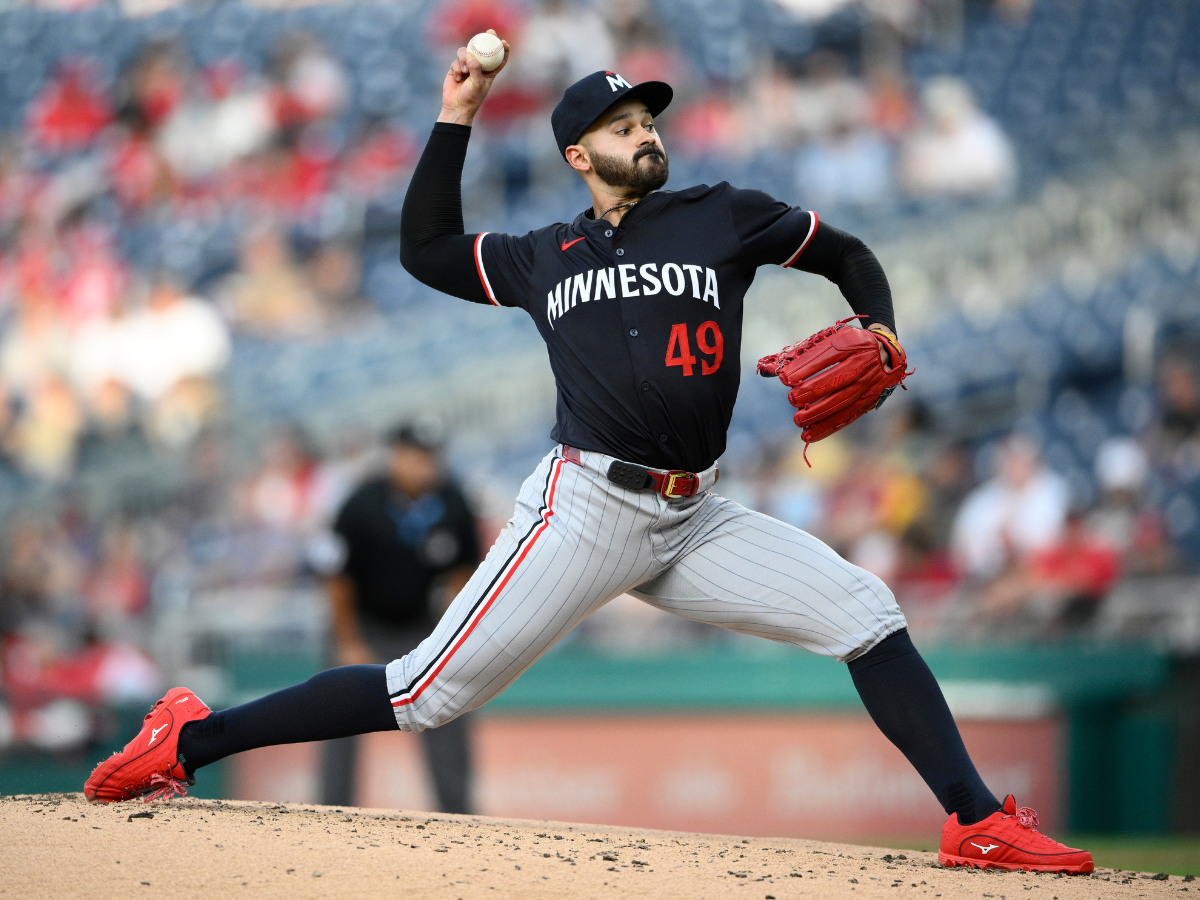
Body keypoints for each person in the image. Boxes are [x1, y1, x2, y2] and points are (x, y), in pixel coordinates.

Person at [85, 35, 1093, 875]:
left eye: (649, 119)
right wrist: (458, 112)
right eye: (623, 124)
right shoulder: (541, 256)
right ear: (579, 153)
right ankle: (189, 736)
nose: (645, 131)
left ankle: (972, 820)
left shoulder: (722, 214)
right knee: (426, 692)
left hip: (696, 514)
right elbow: (425, 249)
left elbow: (847, 254)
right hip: (586, 510)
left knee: (867, 614)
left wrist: (879, 325)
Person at [321, 423, 479, 813]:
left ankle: (458, 817)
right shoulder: (361, 502)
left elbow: (466, 572)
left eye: (431, 456)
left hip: (422, 627)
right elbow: (337, 577)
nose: (425, 465)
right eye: (416, 455)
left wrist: (452, 635)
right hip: (364, 624)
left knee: (446, 713)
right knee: (338, 718)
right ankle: (329, 814)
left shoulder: (454, 501)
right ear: (396, 456)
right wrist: (347, 640)